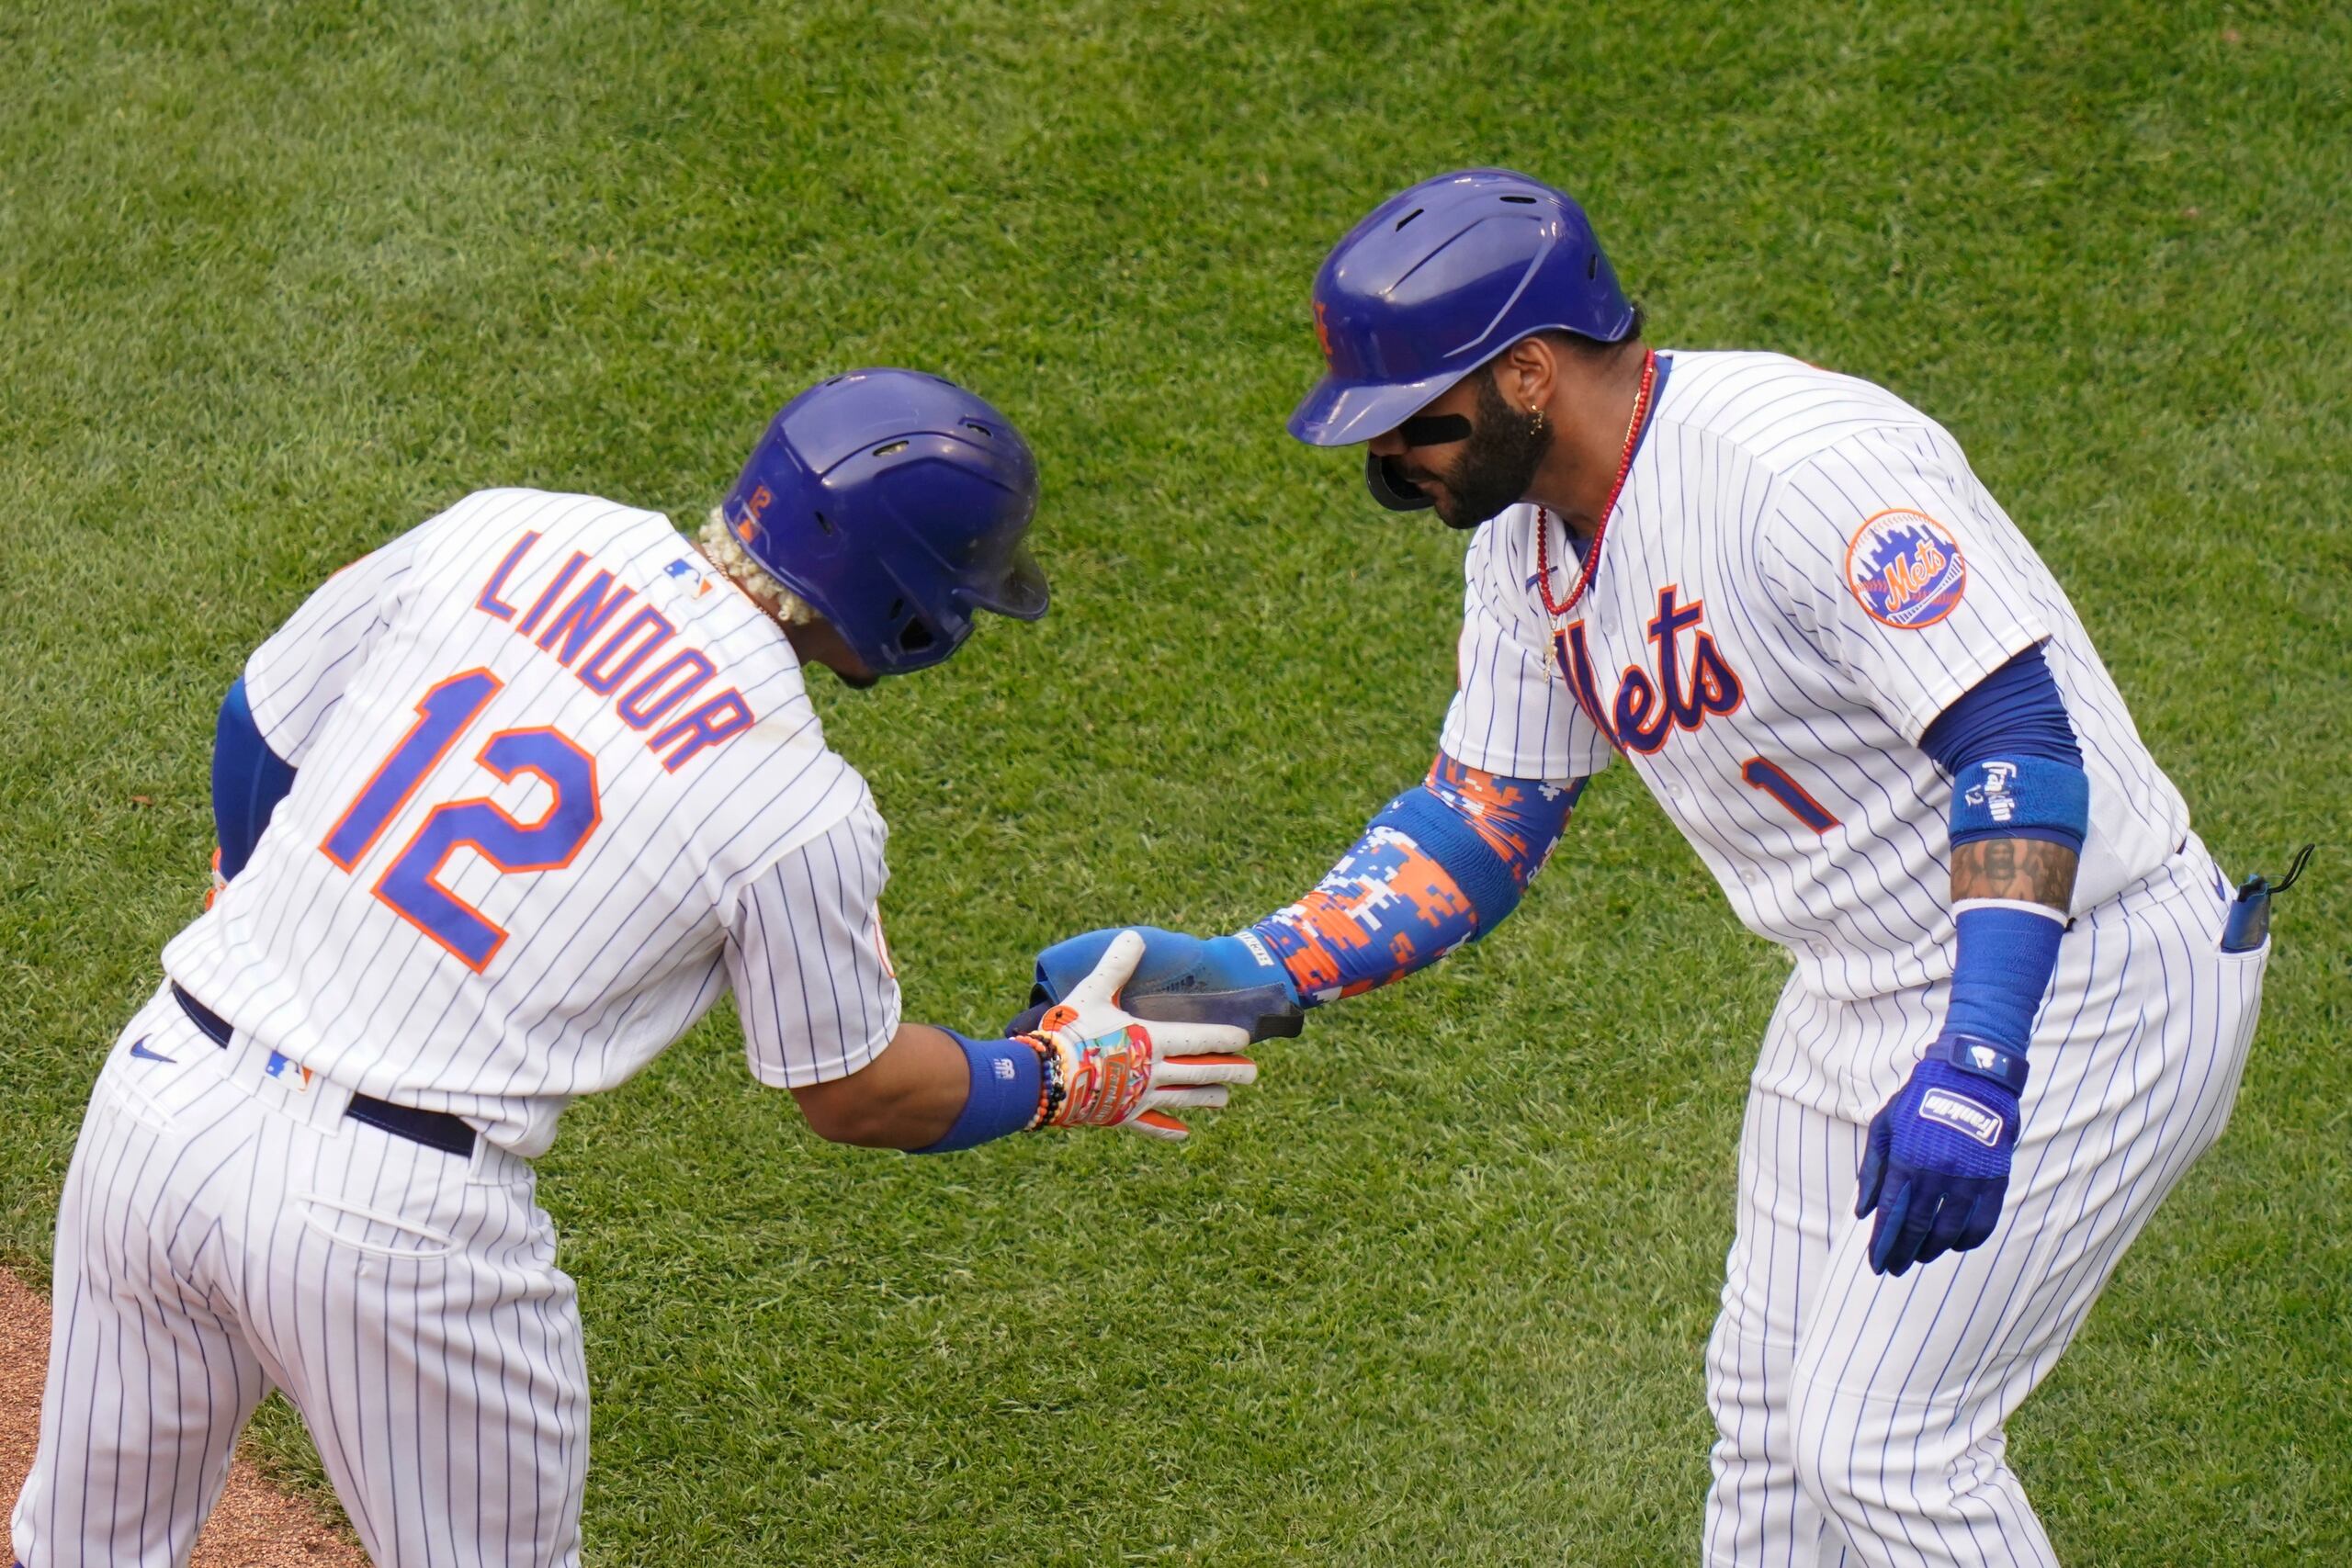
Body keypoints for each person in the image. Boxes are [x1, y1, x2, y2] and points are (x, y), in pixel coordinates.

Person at [1030, 170, 2279, 1565]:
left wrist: (1982, 1059)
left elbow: (2019, 750)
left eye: (1408, 429)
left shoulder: (1793, 471)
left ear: (1525, 374)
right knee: (1762, 1425)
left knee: (1883, 1444)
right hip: (1858, 984)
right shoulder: (1523, 545)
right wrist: (1262, 966)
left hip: (2077, 970)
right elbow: (1484, 816)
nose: (1388, 473)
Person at [10, 368, 1253, 1568]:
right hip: (387, 1226)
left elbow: (257, 722)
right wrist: (1063, 1072)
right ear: (905, 600)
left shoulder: (507, 527)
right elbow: (855, 1091)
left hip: (161, 1096)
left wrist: (248, 901)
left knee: (77, 1554)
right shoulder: (795, 799)